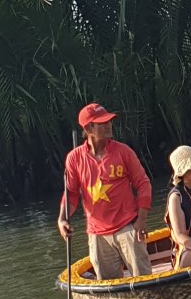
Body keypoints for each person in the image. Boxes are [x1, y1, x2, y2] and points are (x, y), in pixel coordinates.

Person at [58, 102, 153, 280]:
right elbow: (71, 194)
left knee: (143, 280)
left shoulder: (123, 152)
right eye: (102, 123)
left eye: (109, 121)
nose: (108, 125)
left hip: (128, 227)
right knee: (108, 286)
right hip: (97, 233)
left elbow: (143, 183)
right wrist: (62, 219)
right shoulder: (74, 158)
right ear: (88, 128)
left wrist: (141, 220)